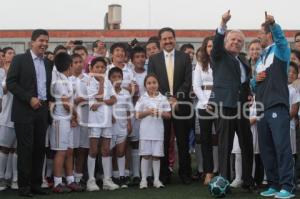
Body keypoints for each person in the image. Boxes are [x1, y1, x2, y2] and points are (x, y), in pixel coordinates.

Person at [252, 12, 296, 198]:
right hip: (262, 108)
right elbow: (253, 86)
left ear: (268, 33)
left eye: (261, 33)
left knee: (281, 147)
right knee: (267, 149)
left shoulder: (280, 50)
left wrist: (274, 24)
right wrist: (255, 79)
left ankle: (287, 186)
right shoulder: (260, 59)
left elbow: (282, 40)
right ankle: (273, 184)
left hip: (277, 106)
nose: (258, 36)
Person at [209, 10, 254, 189]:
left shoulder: (243, 62)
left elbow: (244, 84)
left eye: (239, 41)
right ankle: (224, 182)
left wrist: (249, 93)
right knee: (225, 146)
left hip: (242, 109)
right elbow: (217, 43)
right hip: (225, 107)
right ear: (227, 42)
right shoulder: (219, 56)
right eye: (233, 39)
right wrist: (222, 23)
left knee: (247, 145)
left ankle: (248, 181)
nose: (236, 42)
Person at [6, 29, 53, 197]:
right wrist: (29, 98)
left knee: (40, 149)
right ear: (32, 42)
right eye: (41, 40)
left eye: (46, 41)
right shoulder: (19, 59)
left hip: (42, 111)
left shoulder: (48, 63)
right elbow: (11, 83)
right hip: (24, 111)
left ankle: (35, 184)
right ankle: (23, 187)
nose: (44, 44)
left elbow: (49, 87)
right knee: (26, 149)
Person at [148, 27, 192, 184]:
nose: (167, 41)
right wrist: (168, 99)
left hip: (182, 106)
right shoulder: (153, 60)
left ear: (174, 39)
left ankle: (185, 174)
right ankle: (164, 174)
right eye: (164, 39)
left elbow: (188, 81)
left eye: (170, 38)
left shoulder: (185, 57)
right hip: (162, 105)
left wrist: (176, 98)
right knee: (164, 140)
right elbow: (152, 82)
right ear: (160, 41)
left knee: (183, 141)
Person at [49, 52, 84, 193]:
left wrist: (73, 117)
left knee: (70, 151)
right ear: (69, 65)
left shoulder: (67, 79)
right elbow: (65, 103)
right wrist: (76, 115)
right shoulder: (59, 81)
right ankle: (57, 182)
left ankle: (70, 180)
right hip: (60, 120)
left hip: (67, 120)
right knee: (61, 152)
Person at [86, 57, 119, 191]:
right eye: (97, 67)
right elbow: (99, 97)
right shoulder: (90, 82)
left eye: (102, 67)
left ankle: (107, 180)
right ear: (91, 69)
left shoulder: (108, 82)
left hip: (106, 121)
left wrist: (101, 102)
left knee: (106, 150)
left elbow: (113, 99)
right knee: (93, 150)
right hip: (95, 122)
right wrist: (102, 95)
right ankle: (91, 181)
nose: (100, 69)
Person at [135, 74, 171, 189]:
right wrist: (147, 112)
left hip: (158, 132)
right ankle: (144, 180)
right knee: (145, 155)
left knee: (156, 156)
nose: (152, 85)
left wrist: (160, 113)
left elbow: (168, 115)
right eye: (149, 83)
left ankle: (156, 180)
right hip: (145, 132)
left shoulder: (163, 98)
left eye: (154, 82)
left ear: (158, 84)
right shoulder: (142, 98)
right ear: (145, 85)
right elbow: (137, 115)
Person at [193, 36, 217, 185]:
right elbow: (196, 86)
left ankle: (224, 171)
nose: (211, 48)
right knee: (206, 140)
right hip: (204, 105)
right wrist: (206, 102)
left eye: (214, 46)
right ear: (205, 48)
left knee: (223, 139)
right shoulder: (200, 64)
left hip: (221, 103)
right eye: (209, 46)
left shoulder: (223, 62)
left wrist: (216, 102)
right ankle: (208, 172)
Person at [68, 54, 90, 185]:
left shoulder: (89, 79)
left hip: (86, 118)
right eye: (75, 62)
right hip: (72, 118)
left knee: (83, 148)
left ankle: (79, 176)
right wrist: (74, 101)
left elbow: (95, 96)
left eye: (80, 62)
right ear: (71, 64)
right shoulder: (67, 79)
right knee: (72, 149)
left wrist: (86, 99)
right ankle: (69, 177)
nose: (78, 64)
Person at [110, 67, 133, 188]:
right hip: (109, 127)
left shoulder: (126, 93)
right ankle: (111, 176)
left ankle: (122, 176)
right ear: (109, 79)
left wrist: (129, 123)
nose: (117, 79)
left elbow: (128, 110)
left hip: (122, 125)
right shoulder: (107, 92)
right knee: (109, 151)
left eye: (119, 77)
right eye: (114, 77)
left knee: (120, 151)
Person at [129, 46, 147, 185]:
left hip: (147, 113)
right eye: (137, 57)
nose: (140, 59)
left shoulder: (150, 73)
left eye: (142, 56)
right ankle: (135, 174)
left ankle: (147, 174)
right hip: (133, 113)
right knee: (135, 142)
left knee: (146, 142)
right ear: (132, 60)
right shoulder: (129, 74)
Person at [0, 47, 17, 191]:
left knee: (16, 149)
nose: (12, 55)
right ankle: (1, 178)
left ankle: (13, 178)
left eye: (13, 53)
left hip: (20, 116)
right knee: (4, 148)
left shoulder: (18, 70)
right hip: (5, 117)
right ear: (4, 57)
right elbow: (5, 89)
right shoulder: (3, 73)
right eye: (9, 53)